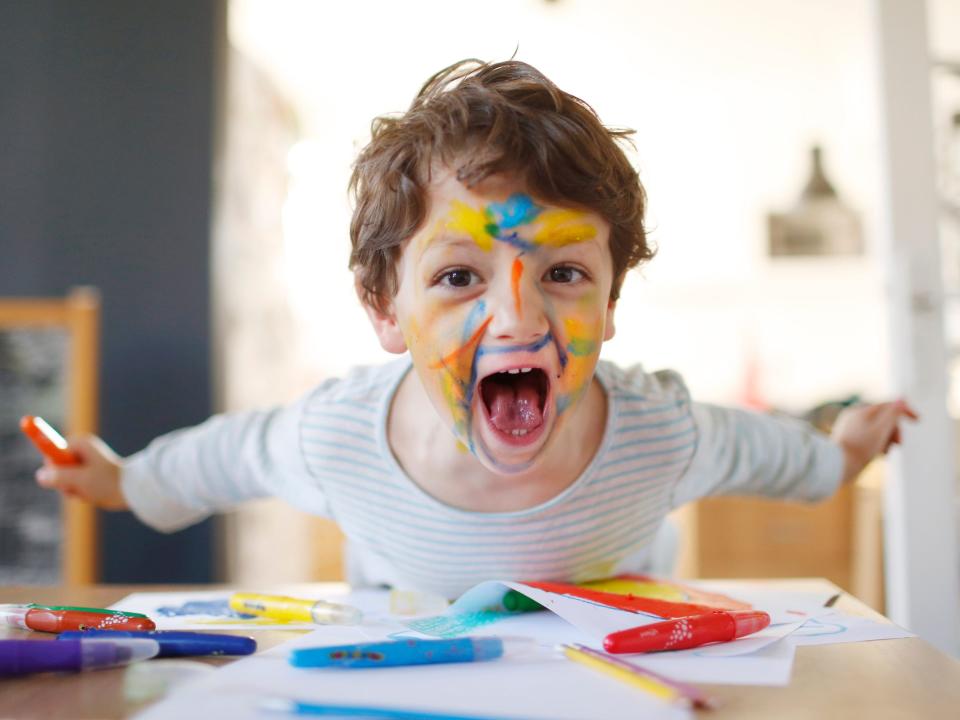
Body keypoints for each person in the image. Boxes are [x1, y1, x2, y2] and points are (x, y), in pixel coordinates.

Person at [35, 59, 917, 599]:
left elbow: (771, 454)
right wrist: (124, 479)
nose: (519, 317)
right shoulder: (339, 436)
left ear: (611, 306)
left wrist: (839, 452)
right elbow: (227, 457)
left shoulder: (659, 431)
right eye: (459, 277)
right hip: (416, 678)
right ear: (385, 310)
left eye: (565, 274)